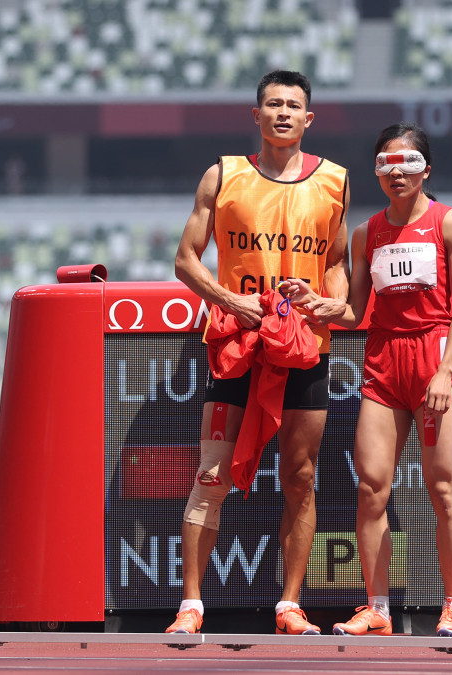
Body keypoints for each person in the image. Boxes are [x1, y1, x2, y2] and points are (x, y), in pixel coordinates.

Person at [166, 69, 350, 636]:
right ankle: (191, 606)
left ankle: (289, 606)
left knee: (300, 477)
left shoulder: (335, 181)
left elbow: (339, 266)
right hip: (236, 347)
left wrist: (326, 301)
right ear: (257, 115)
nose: (283, 113)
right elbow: (186, 259)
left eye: (294, 105)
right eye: (273, 104)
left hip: (303, 351)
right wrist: (230, 300)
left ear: (308, 118)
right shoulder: (223, 176)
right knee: (212, 474)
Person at [282, 122, 452, 637]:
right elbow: (355, 310)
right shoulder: (368, 233)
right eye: (386, 164)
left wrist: (445, 370)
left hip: (432, 362)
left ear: (426, 170)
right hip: (383, 364)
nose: (396, 173)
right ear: (376, 172)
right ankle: (378, 609)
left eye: (407, 163)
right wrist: (315, 304)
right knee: (371, 489)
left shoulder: (450, 223)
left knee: (442, 487)